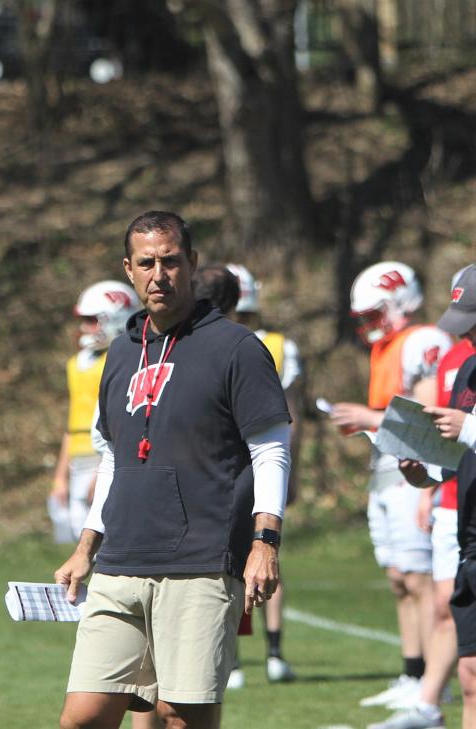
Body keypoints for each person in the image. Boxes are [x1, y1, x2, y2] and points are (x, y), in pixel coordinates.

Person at [54, 211, 292, 729]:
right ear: (129, 269)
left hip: (201, 561)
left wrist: (265, 540)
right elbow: (114, 458)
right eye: (146, 263)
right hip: (120, 560)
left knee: (181, 718)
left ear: (192, 263)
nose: (159, 274)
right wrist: (86, 545)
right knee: (82, 718)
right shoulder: (119, 354)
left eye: (171, 261)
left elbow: (271, 448)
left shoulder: (236, 349)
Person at [329, 262, 453, 711]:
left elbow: (429, 417)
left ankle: (430, 685)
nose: (366, 324)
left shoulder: (423, 341)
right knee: (399, 577)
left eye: (373, 313)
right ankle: (412, 671)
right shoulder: (389, 348)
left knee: (419, 579)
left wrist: (368, 419)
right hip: (386, 468)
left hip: (415, 470)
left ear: (399, 301)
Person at [375, 265, 476, 729]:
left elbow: (466, 433)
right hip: (467, 527)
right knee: (471, 673)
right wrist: (423, 473)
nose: (468, 329)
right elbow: (454, 452)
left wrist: (470, 428)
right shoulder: (463, 363)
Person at [226, 263, 302, 686]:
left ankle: (239, 658)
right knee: (263, 556)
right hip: (263, 460)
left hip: (238, 463)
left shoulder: (219, 343)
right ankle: (269, 654)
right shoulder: (274, 342)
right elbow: (292, 418)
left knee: (235, 560)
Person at [49, 280, 138, 543]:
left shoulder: (122, 360)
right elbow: (72, 424)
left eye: (91, 320)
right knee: (80, 536)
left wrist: (102, 469)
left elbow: (119, 423)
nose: (84, 327)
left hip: (104, 455)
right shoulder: (76, 363)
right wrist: (60, 476)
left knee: (103, 536)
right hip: (78, 456)